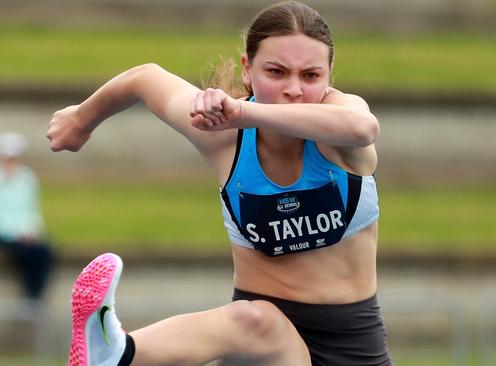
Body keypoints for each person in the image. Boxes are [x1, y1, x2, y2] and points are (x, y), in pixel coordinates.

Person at [48, 1, 391, 365]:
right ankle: (115, 353)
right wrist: (81, 118)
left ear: (329, 74)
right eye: (276, 72)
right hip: (261, 349)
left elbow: (363, 128)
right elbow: (145, 78)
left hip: (355, 348)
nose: (294, 89)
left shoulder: (339, 127)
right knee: (257, 321)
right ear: (248, 70)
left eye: (310, 75)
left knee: (260, 322)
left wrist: (243, 112)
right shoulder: (223, 137)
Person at [0, 132, 54, 302]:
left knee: (44, 251)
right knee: (25, 253)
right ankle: (30, 297)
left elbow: (31, 212)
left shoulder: (27, 179)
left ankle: (35, 297)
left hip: (22, 234)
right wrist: (17, 234)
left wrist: (33, 232)